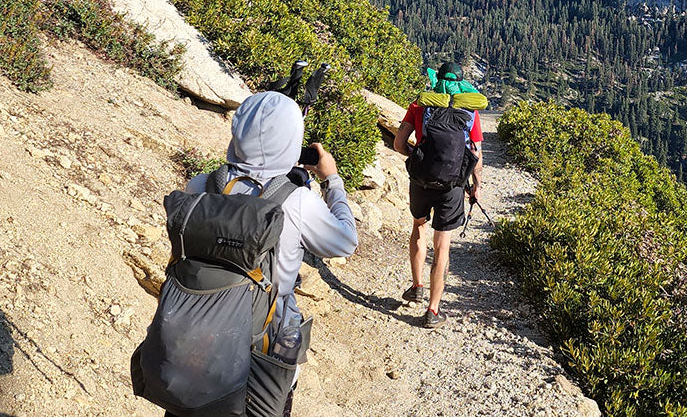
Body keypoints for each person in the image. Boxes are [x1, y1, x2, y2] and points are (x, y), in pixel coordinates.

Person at [178, 90, 358, 415]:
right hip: (264, 348)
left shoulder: (200, 186)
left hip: (195, 336)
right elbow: (345, 241)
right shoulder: (297, 202)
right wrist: (332, 180)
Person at [392, 62, 483, 328]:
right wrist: (475, 186)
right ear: (462, 83)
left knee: (418, 227)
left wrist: (417, 158)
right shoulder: (469, 110)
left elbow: (399, 144)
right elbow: (476, 157)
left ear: (437, 80)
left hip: (421, 179)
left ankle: (416, 285)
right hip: (453, 185)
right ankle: (433, 310)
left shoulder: (420, 104)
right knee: (443, 244)